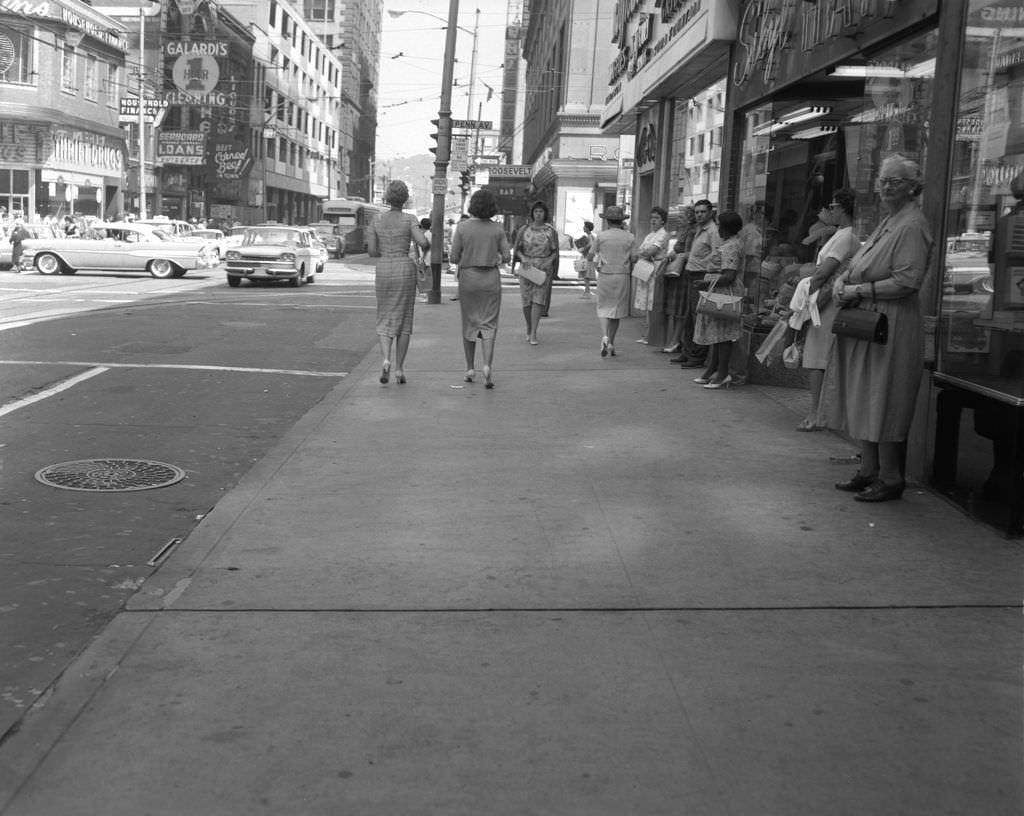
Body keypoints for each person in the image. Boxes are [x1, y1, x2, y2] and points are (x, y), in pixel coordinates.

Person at [828, 154, 934, 502]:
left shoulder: (912, 225)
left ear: (912, 186)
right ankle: (868, 469)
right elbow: (859, 262)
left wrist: (857, 289)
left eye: (896, 181)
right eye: (884, 180)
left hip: (891, 323)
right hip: (870, 322)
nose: (887, 186)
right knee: (867, 394)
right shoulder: (889, 220)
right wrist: (843, 279)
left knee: (885, 397)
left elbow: (908, 280)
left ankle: (890, 477)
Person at [796, 189, 860, 431]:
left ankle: (816, 413)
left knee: (817, 357)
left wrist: (803, 293)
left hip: (828, 301)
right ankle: (820, 411)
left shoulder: (846, 236)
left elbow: (824, 271)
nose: (829, 211)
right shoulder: (840, 234)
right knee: (818, 357)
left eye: (832, 207)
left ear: (842, 208)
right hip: (825, 298)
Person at [366, 180, 429, 385]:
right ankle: (400, 369)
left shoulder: (376, 220)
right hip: (404, 268)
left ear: (386, 198)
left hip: (384, 269)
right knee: (404, 319)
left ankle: (386, 359)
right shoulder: (410, 219)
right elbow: (423, 242)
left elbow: (372, 252)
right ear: (405, 199)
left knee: (384, 315)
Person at [450, 189, 511, 389]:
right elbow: (507, 256)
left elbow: (453, 257)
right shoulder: (498, 229)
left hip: (468, 278)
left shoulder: (462, 227)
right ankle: (487, 366)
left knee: (469, 322)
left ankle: (469, 368)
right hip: (491, 278)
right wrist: (495, 256)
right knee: (489, 324)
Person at [692, 210, 745, 389]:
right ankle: (713, 369)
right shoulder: (730, 243)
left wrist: (705, 283)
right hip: (719, 291)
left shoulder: (731, 246)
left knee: (723, 335)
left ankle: (722, 373)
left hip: (724, 292)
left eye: (721, 226)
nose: (718, 230)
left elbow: (729, 275)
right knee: (717, 334)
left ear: (727, 228)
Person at [674, 200, 721, 368]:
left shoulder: (713, 231)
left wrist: (702, 264)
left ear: (710, 213)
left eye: (702, 211)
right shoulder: (699, 230)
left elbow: (717, 254)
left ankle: (697, 355)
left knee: (699, 316)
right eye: (697, 212)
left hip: (702, 275)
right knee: (689, 316)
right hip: (691, 273)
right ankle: (687, 351)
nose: (699, 214)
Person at [588, 204, 634, 357]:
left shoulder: (601, 236)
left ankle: (604, 336)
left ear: (607, 220)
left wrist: (597, 265)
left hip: (605, 275)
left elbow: (590, 255)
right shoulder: (629, 237)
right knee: (616, 310)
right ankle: (612, 343)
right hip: (622, 275)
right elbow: (634, 257)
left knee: (603, 308)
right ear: (621, 221)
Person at [511, 201, 559, 345]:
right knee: (526, 301)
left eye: (541, 211)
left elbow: (555, 251)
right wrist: (523, 258)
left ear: (545, 214)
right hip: (527, 268)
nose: (538, 214)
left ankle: (534, 332)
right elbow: (517, 249)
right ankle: (529, 327)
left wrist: (549, 261)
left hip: (543, 268)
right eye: (536, 211)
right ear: (532, 213)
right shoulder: (524, 229)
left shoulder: (550, 231)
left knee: (539, 300)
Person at [631, 206, 669, 344]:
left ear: (663, 221)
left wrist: (640, 254)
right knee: (647, 302)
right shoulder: (650, 235)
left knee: (653, 302)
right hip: (646, 267)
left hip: (656, 268)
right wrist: (641, 253)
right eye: (652, 218)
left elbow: (649, 251)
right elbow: (642, 251)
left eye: (657, 218)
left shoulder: (663, 234)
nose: (653, 220)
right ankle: (647, 334)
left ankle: (652, 335)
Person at [662, 205, 696, 353]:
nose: (680, 219)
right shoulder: (684, 231)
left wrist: (677, 255)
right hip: (677, 272)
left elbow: (689, 252)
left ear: (690, 218)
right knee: (676, 310)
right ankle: (675, 339)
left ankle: (676, 340)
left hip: (683, 272)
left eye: (683, 217)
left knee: (680, 310)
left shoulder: (692, 232)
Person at [574, 221, 595, 298]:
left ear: (587, 228)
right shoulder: (590, 236)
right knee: (586, 275)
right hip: (587, 257)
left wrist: (583, 249)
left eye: (584, 226)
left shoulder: (589, 236)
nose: (583, 228)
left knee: (586, 275)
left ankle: (587, 292)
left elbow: (591, 244)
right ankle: (587, 291)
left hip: (587, 257)